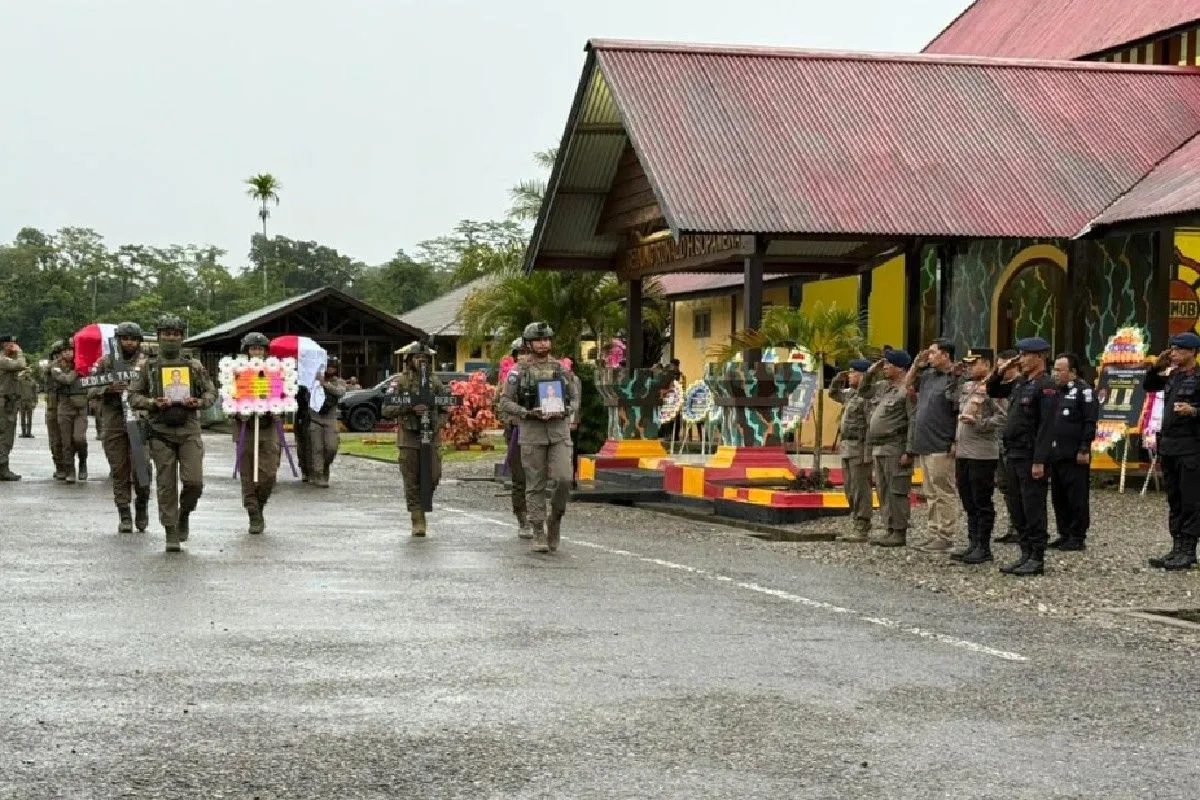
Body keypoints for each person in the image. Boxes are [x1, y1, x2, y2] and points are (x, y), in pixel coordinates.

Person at [128, 314, 216, 552]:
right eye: (166, 333)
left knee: (194, 481)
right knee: (166, 484)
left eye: (175, 334)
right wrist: (152, 402)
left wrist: (196, 402)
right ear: (158, 337)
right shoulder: (148, 366)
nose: (171, 338)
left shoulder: (194, 366)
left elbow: (211, 394)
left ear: (182, 337)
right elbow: (133, 396)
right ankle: (171, 530)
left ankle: (184, 513)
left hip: (188, 430)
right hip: (160, 432)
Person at [498, 322, 580, 553]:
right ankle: (538, 529)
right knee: (535, 483)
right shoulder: (518, 371)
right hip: (532, 432)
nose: (543, 343)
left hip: (558, 431)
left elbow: (575, 397)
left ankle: (556, 517)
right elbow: (505, 401)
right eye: (538, 340)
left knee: (564, 478)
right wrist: (525, 412)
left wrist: (566, 410)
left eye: (546, 339)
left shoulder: (561, 369)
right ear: (528, 343)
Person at [986, 337, 1057, 577]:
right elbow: (993, 389)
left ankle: (1037, 556)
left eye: (1026, 355)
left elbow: (1047, 427)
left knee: (1033, 506)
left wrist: (1039, 460)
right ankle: (1025, 553)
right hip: (1013, 453)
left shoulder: (1046, 386)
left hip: (1030, 455)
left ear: (1039, 357)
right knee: (1017, 506)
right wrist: (1003, 369)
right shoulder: (1020, 383)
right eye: (1021, 355)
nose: (1022, 359)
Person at [1143, 333, 1200, 571]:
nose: (1173, 354)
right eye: (1172, 349)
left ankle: (1188, 549)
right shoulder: (1173, 375)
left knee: (1191, 500)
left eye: (1177, 350)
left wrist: (1194, 410)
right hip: (1169, 445)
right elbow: (1149, 386)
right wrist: (1157, 367)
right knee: (1174, 499)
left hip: (1191, 448)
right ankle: (1176, 546)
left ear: (1191, 352)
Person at [87, 321, 151, 534]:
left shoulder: (148, 362)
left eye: (133, 339)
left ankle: (141, 504)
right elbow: (87, 388)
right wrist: (108, 388)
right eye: (125, 338)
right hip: (114, 419)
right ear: (117, 340)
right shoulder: (106, 362)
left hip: (139, 418)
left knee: (141, 469)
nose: (129, 343)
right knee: (119, 469)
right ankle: (124, 513)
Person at [382, 342, 449, 536]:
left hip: (431, 436)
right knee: (412, 479)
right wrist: (409, 407)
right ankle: (417, 518)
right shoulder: (399, 382)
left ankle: (423, 503)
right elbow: (386, 410)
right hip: (409, 438)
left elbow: (446, 408)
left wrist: (437, 424)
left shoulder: (435, 382)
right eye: (418, 357)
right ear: (409, 360)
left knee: (433, 475)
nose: (422, 360)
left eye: (425, 358)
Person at [948, 348, 1005, 565]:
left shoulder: (994, 388)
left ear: (987, 364)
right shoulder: (968, 387)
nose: (969, 367)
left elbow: (1003, 419)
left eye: (974, 363)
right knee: (968, 500)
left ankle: (984, 546)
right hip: (964, 451)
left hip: (982, 453)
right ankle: (973, 543)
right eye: (968, 364)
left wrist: (979, 423)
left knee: (982, 501)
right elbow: (953, 403)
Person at [906, 339, 962, 553]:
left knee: (943, 490)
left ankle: (946, 535)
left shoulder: (954, 378)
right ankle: (933, 532)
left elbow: (957, 409)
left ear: (945, 355)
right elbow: (907, 385)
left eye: (932, 353)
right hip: (924, 441)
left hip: (941, 442)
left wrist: (955, 441)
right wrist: (916, 365)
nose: (928, 356)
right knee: (929, 491)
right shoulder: (928, 376)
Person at [230, 332, 281, 535]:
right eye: (253, 349)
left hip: (268, 427)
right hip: (245, 428)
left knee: (268, 473)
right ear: (247, 351)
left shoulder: (274, 372)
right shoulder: (236, 372)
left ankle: (260, 504)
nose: (257, 352)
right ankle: (252, 512)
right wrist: (236, 412)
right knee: (248, 475)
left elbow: (283, 394)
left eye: (260, 349)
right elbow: (228, 396)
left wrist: (279, 409)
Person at [863, 349, 915, 547]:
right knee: (883, 491)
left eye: (888, 364)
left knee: (897, 491)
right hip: (880, 448)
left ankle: (899, 531)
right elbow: (863, 392)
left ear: (900, 367)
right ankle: (889, 528)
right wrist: (870, 372)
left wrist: (909, 451)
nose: (884, 367)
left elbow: (913, 420)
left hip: (896, 447)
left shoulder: (907, 390)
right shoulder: (885, 387)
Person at [1047, 353, 1098, 552]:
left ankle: (1077, 535)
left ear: (1073, 372)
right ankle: (1064, 532)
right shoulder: (1055, 392)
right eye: (1055, 369)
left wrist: (1084, 447)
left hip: (1075, 453)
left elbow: (1089, 421)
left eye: (1060, 370)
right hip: (1056, 452)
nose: (1056, 374)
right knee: (1058, 496)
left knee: (1076, 496)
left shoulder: (1083, 391)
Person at [830, 359, 875, 542]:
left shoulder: (867, 397)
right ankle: (856, 520)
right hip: (848, 446)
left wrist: (868, 452)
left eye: (852, 372)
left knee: (860, 489)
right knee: (849, 488)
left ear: (862, 375)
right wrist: (837, 379)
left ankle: (862, 525)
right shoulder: (850, 395)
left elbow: (870, 426)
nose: (849, 375)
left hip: (860, 446)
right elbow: (833, 393)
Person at [498, 336, 532, 538]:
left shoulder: (543, 373)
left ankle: (537, 515)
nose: (525, 357)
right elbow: (502, 405)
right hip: (517, 431)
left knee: (537, 477)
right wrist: (515, 417)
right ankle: (522, 517)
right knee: (520, 478)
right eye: (521, 353)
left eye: (527, 352)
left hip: (538, 430)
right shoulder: (511, 377)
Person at [992, 350, 1022, 544]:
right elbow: (992, 389)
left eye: (1004, 366)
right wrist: (998, 373)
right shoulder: (1006, 386)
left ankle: (1021, 528)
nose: (1001, 370)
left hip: (1015, 444)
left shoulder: (1022, 384)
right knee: (1005, 486)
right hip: (1000, 442)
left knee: (1018, 487)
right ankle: (1014, 526)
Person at [50, 337, 89, 484]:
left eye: (70, 350)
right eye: (64, 351)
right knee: (66, 442)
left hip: (80, 407)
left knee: (79, 438)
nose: (68, 353)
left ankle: (83, 462)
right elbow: (65, 380)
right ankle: (69, 470)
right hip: (64, 406)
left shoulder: (82, 363)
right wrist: (76, 371)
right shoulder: (55, 366)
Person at [308, 355, 347, 488]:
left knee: (331, 448)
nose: (330, 369)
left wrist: (325, 384)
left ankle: (325, 467)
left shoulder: (339, 382)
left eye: (333, 367)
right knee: (317, 448)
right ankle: (318, 474)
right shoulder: (313, 380)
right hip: (315, 418)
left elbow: (341, 392)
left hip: (330, 419)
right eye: (328, 366)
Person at [0, 334, 27, 481]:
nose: (14, 345)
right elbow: (21, 364)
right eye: (11, 343)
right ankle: (3, 469)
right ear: (4, 345)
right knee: (5, 437)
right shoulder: (3, 360)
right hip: (4, 404)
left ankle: (3, 468)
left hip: (7, 402)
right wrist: (19, 352)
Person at [44, 340, 67, 480]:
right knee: (55, 439)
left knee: (69, 439)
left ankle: (69, 466)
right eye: (58, 353)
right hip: (53, 406)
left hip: (67, 405)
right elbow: (47, 371)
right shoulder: (51, 367)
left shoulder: (72, 366)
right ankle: (60, 466)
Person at [17, 366, 37, 438]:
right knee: (22, 418)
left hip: (30, 401)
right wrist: (22, 371)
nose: (27, 374)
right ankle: (23, 433)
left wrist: (35, 402)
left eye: (28, 373)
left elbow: (35, 393)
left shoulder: (33, 382)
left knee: (29, 418)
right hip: (22, 401)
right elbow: (17, 378)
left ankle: (29, 433)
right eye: (26, 373)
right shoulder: (20, 381)